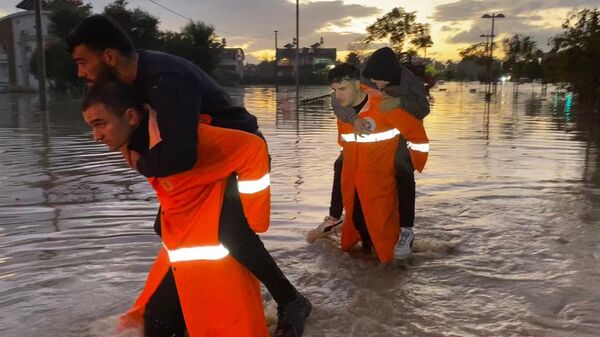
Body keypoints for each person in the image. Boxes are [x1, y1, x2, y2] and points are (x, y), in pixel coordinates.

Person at [68, 15, 310, 337]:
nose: (81, 72)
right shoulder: (133, 81)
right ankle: (182, 302)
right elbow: (156, 138)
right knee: (164, 226)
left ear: (109, 57)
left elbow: (181, 155)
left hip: (234, 156)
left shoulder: (165, 80)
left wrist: (140, 163)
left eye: (83, 62)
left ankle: (291, 300)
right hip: (200, 161)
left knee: (232, 234)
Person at [82, 80, 271, 336]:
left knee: (161, 325)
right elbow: (173, 188)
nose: (96, 137)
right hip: (184, 252)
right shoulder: (133, 143)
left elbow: (253, 149)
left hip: (213, 252)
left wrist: (254, 219)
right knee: (154, 323)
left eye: (100, 124)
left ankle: (291, 302)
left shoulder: (184, 137)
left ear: (131, 116)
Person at [307, 47, 429, 260]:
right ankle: (335, 217)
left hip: (399, 129)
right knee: (341, 165)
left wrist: (399, 102)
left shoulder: (410, 82)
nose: (378, 85)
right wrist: (353, 120)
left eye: (383, 82)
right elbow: (338, 100)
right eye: (374, 80)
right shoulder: (360, 77)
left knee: (402, 169)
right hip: (365, 130)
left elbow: (423, 109)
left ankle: (406, 230)